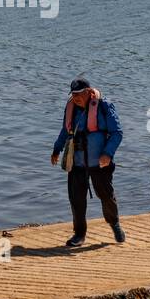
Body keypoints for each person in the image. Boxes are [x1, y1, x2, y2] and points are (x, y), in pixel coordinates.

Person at [51, 78, 125, 247]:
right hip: (76, 163)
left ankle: (114, 223)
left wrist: (107, 154)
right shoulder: (71, 108)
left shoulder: (104, 106)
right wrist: (56, 149)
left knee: (106, 196)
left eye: (79, 94)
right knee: (76, 199)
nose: (75, 98)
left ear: (89, 92)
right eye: (73, 95)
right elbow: (65, 130)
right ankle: (79, 234)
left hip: (99, 163)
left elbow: (117, 133)